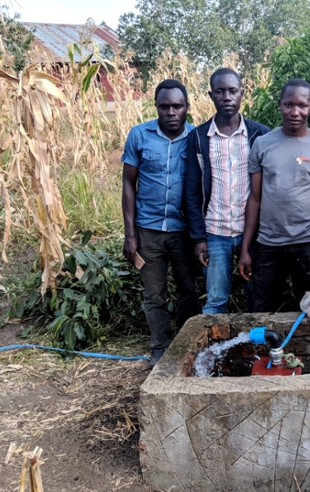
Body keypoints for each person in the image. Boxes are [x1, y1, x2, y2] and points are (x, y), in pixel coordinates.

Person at [237, 78, 310, 311]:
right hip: (268, 243)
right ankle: (264, 348)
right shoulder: (262, 145)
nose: (295, 112)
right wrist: (245, 248)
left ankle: (303, 349)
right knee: (261, 308)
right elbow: (255, 198)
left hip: (309, 243)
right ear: (279, 105)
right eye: (288, 104)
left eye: (302, 105)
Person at [121, 79, 200, 367]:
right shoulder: (139, 136)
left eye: (177, 106)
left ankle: (188, 345)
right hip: (148, 230)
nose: (171, 112)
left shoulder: (197, 138)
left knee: (188, 290)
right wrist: (130, 235)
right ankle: (160, 347)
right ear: (156, 107)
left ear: (187, 107)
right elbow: (128, 185)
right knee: (154, 293)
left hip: (183, 231)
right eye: (164, 106)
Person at [184, 68, 270, 313]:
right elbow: (192, 191)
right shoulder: (199, 138)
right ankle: (212, 351)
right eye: (220, 91)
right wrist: (199, 239)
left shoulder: (259, 134)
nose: (227, 97)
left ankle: (257, 349)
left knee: (257, 298)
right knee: (215, 300)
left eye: (232, 91)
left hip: (251, 233)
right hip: (215, 232)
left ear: (242, 94)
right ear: (211, 95)